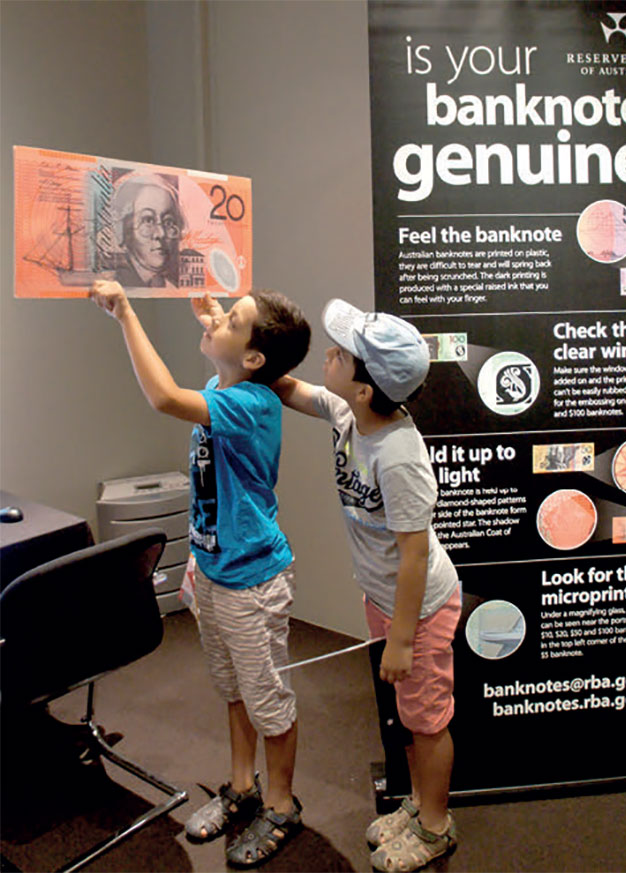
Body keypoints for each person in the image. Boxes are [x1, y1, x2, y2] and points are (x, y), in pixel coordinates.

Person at [89, 280, 310, 868]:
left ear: (255, 358)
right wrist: (214, 321)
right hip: (214, 570)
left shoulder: (250, 404)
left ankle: (283, 804)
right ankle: (242, 787)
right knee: (234, 691)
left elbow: (162, 397)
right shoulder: (229, 381)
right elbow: (225, 356)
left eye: (231, 320)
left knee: (268, 702)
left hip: (251, 581)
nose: (215, 321)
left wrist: (125, 313)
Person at [272, 299, 461, 872]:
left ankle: (435, 827)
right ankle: (417, 802)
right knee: (406, 711)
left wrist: (403, 638)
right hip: (385, 597)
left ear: (363, 387)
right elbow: (295, 393)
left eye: (341, 353)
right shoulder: (353, 413)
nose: (328, 354)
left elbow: (414, 552)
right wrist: (247, 359)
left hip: (418, 608)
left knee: (428, 720)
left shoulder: (398, 457)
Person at [113, 173, 183, 288]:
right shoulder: (115, 283)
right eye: (148, 220)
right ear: (124, 228)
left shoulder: (170, 286)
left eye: (168, 222)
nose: (161, 233)